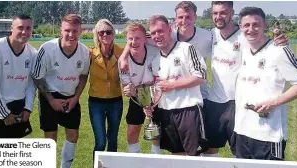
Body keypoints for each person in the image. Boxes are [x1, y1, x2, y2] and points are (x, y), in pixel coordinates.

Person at [203, 1, 289, 157]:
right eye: (215, 13)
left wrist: (279, 41)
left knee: (239, 151)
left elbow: (264, 44)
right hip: (214, 101)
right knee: (209, 148)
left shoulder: (245, 36)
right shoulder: (211, 34)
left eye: (223, 12)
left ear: (231, 13)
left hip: (238, 103)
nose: (218, 17)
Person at [235, 7, 297, 160]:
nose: (251, 29)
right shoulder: (243, 47)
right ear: (240, 28)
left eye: (256, 24)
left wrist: (274, 102)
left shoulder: (279, 51)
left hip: (268, 135)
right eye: (246, 25)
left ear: (265, 26)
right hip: (241, 131)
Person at [31, 14, 90, 168]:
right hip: (49, 96)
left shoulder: (84, 52)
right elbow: (37, 77)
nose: (71, 34)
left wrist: (76, 97)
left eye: (75, 31)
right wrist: (51, 100)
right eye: (67, 30)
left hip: (71, 97)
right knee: (50, 139)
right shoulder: (47, 49)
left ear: (81, 31)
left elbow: (83, 76)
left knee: (73, 135)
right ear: (60, 30)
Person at [148, 15, 207, 156]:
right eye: (154, 33)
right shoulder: (155, 60)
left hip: (189, 110)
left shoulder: (186, 48)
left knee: (194, 158)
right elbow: (158, 88)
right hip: (166, 112)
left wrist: (172, 85)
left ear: (170, 30)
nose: (157, 36)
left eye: (160, 31)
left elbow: (201, 76)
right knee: (176, 156)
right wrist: (150, 105)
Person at [0, 14, 36, 138]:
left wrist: (27, 108)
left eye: (28, 28)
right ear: (11, 28)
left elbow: (31, 84)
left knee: (14, 154)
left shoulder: (32, 53)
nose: (24, 32)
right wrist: (4, 114)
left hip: (18, 107)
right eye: (20, 27)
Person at [118, 23, 162, 154]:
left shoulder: (155, 51)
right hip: (137, 96)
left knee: (156, 132)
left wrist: (151, 104)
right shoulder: (122, 61)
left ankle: (156, 162)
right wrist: (128, 90)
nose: (134, 42)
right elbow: (127, 87)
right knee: (132, 131)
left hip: (157, 95)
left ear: (145, 39)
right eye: (130, 38)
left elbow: (159, 80)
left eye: (138, 38)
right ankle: (135, 160)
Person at [88, 19, 123, 156]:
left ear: (113, 34)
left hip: (115, 102)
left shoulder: (121, 52)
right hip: (96, 102)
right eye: (101, 32)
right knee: (101, 142)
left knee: (113, 141)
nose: (105, 35)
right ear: (97, 35)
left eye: (108, 32)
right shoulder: (90, 53)